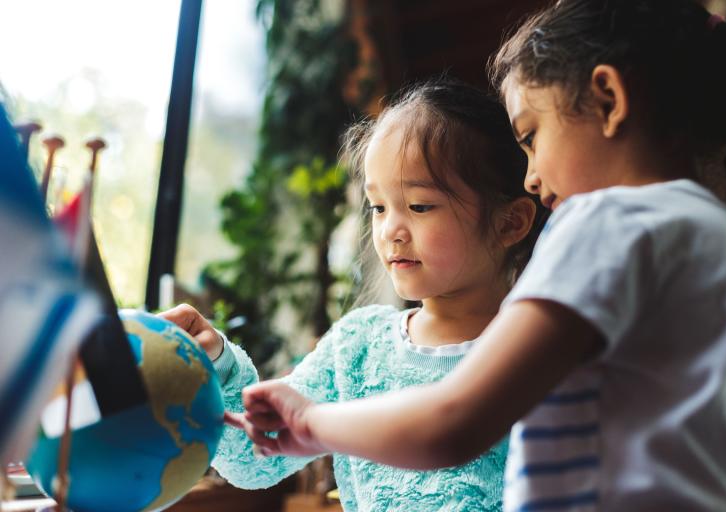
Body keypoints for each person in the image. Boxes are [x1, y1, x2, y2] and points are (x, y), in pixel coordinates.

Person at [230, 1, 726, 510]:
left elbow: (453, 422)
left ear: (608, 100)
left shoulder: (611, 221)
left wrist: (312, 423)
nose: (530, 175)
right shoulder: (712, 233)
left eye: (531, 136)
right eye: (377, 207)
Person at [162, 78, 544, 511]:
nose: (390, 231)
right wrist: (217, 363)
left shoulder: (541, 350)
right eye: (378, 207)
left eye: (419, 206)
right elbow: (254, 458)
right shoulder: (357, 347)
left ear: (510, 222)